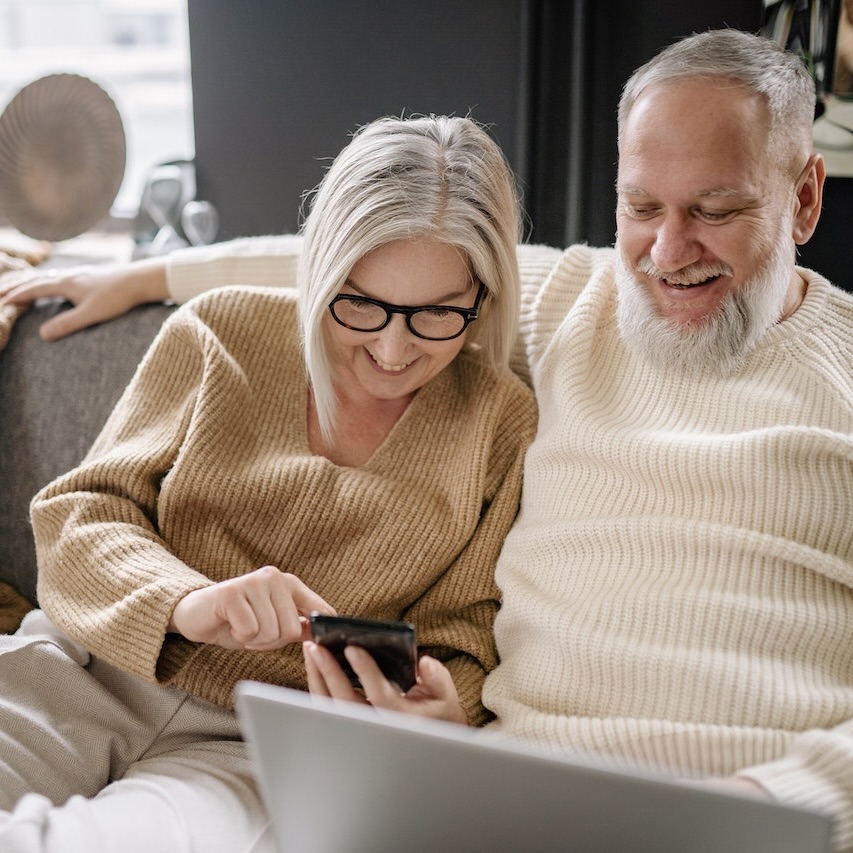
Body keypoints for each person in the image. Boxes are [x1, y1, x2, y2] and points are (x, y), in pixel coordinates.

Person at [3, 27, 853, 852]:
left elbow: (465, 632)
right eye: (641, 207)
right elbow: (376, 248)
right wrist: (146, 275)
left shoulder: (498, 412)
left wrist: (770, 801)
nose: (669, 251)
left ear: (804, 198)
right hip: (482, 780)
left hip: (738, 803)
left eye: (717, 209)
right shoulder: (580, 302)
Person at [0, 114, 537, 851]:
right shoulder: (220, 330)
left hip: (257, 745)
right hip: (83, 669)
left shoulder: (499, 418)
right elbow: (78, 515)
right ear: (319, 270)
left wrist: (445, 710)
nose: (391, 347)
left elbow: (467, 632)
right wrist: (186, 601)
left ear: (483, 297)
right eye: (361, 304)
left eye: (436, 315)